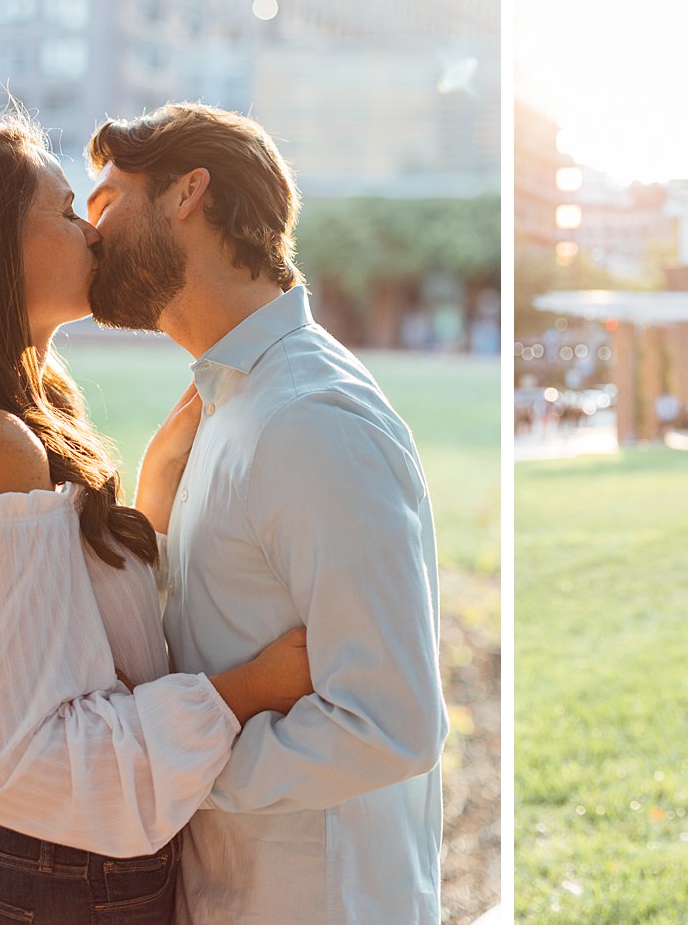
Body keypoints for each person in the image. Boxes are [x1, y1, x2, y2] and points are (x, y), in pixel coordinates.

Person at [0, 114, 316, 924]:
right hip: (48, 891)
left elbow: (74, 641)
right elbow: (29, 760)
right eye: (69, 208)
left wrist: (150, 496)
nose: (95, 231)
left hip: (72, 882)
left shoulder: (14, 419)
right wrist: (250, 689)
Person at [83, 102, 448, 925]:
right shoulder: (230, 403)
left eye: (104, 202)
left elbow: (390, 720)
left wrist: (176, 766)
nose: (89, 231)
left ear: (188, 193)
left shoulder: (311, 416)